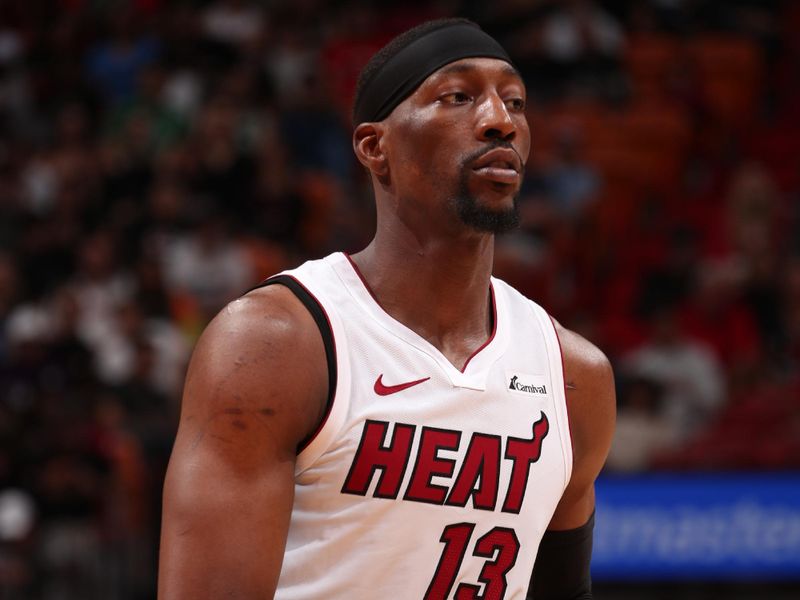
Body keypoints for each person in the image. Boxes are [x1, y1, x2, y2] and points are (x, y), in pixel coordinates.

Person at [158, 18, 615, 600]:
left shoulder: (576, 377)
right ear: (376, 147)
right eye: (459, 96)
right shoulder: (276, 343)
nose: (502, 120)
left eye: (516, 101)